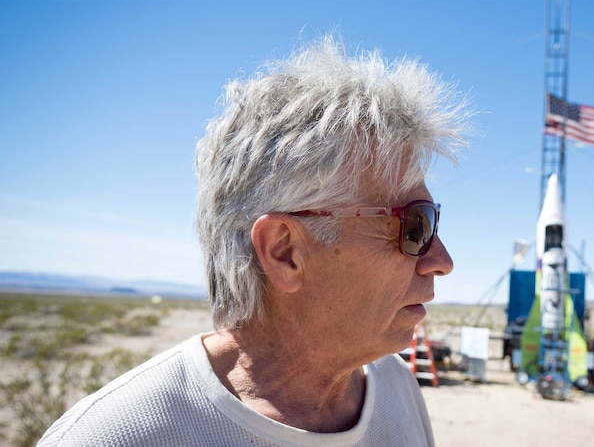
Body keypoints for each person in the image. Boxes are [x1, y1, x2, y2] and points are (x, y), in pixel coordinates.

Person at [38, 34, 472, 446]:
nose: (442, 260)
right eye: (414, 225)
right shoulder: (112, 436)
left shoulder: (397, 389)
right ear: (284, 252)